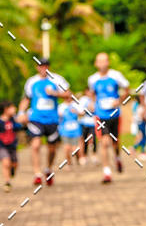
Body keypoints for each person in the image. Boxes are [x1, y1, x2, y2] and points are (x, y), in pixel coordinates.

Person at [19, 58, 71, 186]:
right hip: (36, 118)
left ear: (49, 67)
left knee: (52, 149)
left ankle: (48, 169)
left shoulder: (57, 79)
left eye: (46, 66)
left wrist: (54, 93)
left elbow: (68, 95)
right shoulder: (32, 82)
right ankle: (37, 174)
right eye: (41, 66)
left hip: (52, 119)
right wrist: (20, 113)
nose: (43, 68)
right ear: (37, 67)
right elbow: (26, 99)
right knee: (35, 145)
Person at [87, 52, 130, 184]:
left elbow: (127, 89)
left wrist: (120, 100)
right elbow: (92, 94)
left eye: (104, 61)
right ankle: (106, 171)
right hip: (101, 115)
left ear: (108, 63)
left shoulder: (116, 75)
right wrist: (92, 103)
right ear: (96, 64)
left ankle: (117, 158)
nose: (102, 64)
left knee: (115, 142)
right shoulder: (92, 79)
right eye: (99, 61)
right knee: (104, 142)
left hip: (115, 114)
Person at [58, 98, 83, 167]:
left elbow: (83, 113)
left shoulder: (75, 105)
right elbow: (58, 117)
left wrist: (76, 112)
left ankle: (78, 159)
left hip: (76, 130)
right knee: (67, 148)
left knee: (75, 148)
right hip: (64, 130)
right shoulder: (61, 106)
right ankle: (69, 163)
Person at [79, 93, 97, 163]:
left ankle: (94, 155)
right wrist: (87, 109)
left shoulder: (96, 99)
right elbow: (81, 111)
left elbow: (95, 109)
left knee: (93, 139)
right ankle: (84, 156)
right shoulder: (83, 99)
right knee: (84, 140)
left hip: (93, 123)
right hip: (84, 123)